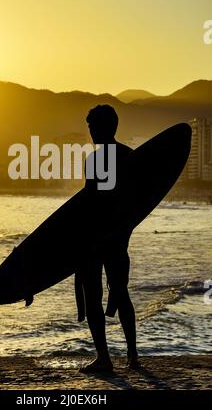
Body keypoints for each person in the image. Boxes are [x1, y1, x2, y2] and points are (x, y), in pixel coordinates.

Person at [75, 104, 139, 373]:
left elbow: (94, 203)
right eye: (89, 127)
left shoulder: (103, 159)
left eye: (93, 127)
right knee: (111, 295)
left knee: (109, 296)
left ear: (106, 127)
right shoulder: (127, 157)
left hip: (102, 238)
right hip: (107, 238)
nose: (90, 132)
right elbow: (133, 204)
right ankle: (126, 357)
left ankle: (112, 358)